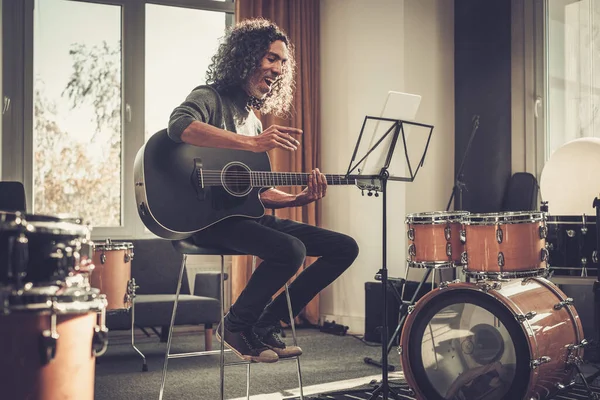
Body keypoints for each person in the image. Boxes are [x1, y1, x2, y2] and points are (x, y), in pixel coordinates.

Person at [167, 18, 359, 363]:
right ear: (245, 56)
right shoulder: (209, 97)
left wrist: (298, 199)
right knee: (290, 250)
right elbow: (179, 125)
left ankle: (266, 322)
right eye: (271, 58)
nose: (278, 69)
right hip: (206, 219)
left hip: (243, 218)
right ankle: (236, 326)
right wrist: (252, 142)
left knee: (343, 248)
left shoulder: (253, 119)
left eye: (283, 62)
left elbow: (259, 192)